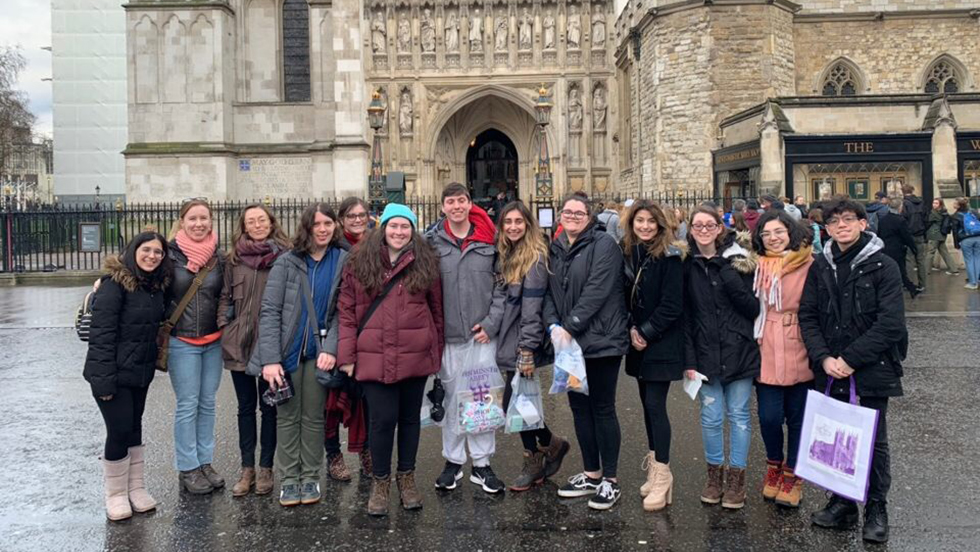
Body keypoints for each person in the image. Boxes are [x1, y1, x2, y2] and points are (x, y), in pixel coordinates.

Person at [799, 197, 907, 543]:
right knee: (835, 436)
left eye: (848, 219)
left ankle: (876, 508)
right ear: (826, 228)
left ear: (863, 223)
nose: (841, 226)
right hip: (830, 366)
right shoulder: (820, 266)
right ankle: (843, 503)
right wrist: (824, 358)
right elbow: (809, 316)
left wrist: (850, 359)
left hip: (871, 367)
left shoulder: (884, 265)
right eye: (833, 222)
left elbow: (890, 324)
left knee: (873, 440)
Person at [337, 203, 444, 516]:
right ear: (383, 228)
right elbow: (346, 310)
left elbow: (437, 310)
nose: (399, 232)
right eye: (394, 226)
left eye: (405, 226)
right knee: (381, 422)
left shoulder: (426, 260)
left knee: (410, 420)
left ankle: (406, 479)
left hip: (415, 354)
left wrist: (435, 354)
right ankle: (380, 482)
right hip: (374, 355)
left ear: (413, 230)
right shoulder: (359, 260)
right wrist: (347, 355)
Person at [254, 203, 348, 507]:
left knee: (313, 418)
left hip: (320, 353)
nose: (323, 229)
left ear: (335, 226)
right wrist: (270, 359)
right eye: (316, 224)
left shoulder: (343, 260)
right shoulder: (287, 262)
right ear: (306, 228)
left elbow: (343, 312)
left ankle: (310, 477)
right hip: (287, 351)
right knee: (287, 415)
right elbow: (270, 311)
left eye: (328, 223)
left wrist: (332, 347)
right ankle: (289, 479)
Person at [545, 193, 629, 510]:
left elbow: (598, 288)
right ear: (560, 215)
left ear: (589, 217)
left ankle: (610, 480)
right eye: (568, 211)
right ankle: (591, 473)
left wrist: (570, 325)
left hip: (601, 342)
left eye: (579, 213)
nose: (573, 217)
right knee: (580, 409)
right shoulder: (555, 248)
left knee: (602, 408)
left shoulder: (604, 245)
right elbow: (548, 291)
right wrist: (553, 324)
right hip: (569, 344)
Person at [84, 231, 174, 521]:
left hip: (140, 372)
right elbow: (101, 336)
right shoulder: (113, 286)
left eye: (158, 252)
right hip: (112, 374)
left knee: (134, 428)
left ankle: (135, 488)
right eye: (146, 250)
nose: (152, 256)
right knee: (119, 430)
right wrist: (103, 381)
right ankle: (115, 494)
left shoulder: (155, 286)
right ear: (133, 250)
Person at [427, 183, 506, 494]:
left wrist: (492, 323)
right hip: (448, 336)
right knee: (449, 400)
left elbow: (502, 285)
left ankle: (482, 464)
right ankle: (453, 462)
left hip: (481, 336)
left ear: (469, 204)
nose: (456, 206)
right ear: (443, 206)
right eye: (451, 201)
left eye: (461, 200)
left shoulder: (488, 239)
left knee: (480, 401)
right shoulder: (432, 243)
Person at [683, 206, 760, 510]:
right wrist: (688, 360)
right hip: (703, 353)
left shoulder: (739, 262)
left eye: (709, 224)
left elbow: (753, 309)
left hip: (738, 349)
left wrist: (727, 272)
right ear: (690, 229)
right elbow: (686, 317)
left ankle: (737, 480)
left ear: (719, 228)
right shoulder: (686, 264)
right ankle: (714, 478)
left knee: (739, 417)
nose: (703, 230)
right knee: (711, 417)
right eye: (697, 225)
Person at [492, 201, 571, 491]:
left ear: (528, 224)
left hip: (523, 340)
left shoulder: (535, 257)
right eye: (507, 222)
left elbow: (532, 307)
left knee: (515, 403)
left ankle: (539, 455)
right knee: (518, 403)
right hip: (508, 337)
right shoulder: (506, 253)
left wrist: (527, 348)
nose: (513, 227)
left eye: (518, 222)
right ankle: (549, 446)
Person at [219, 204, 290, 497]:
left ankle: (266, 468)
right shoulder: (233, 259)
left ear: (271, 223)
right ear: (244, 227)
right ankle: (246, 468)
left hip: (271, 344)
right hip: (240, 342)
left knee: (270, 407)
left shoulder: (285, 256)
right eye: (252, 221)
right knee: (245, 408)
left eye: (262, 219)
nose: (258, 224)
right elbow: (225, 296)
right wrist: (226, 326)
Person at [622, 200, 684, 512]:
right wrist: (633, 329)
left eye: (650, 222)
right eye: (639, 221)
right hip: (639, 342)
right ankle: (655, 466)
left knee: (655, 406)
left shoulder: (670, 256)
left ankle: (663, 474)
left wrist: (644, 332)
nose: (645, 226)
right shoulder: (632, 251)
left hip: (660, 342)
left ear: (661, 225)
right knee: (647, 407)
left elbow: (673, 305)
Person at [751, 210, 814, 508]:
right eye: (767, 234)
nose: (773, 238)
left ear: (790, 232)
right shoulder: (753, 265)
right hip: (765, 341)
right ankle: (773, 466)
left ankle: (793, 474)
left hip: (799, 339)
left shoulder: (809, 263)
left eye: (779, 232)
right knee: (769, 416)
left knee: (798, 417)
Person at [166, 199, 226, 494]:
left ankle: (204, 461)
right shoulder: (168, 255)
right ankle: (187, 466)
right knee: (187, 405)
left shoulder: (219, 256)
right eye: (193, 218)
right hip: (182, 341)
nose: (199, 223)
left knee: (207, 404)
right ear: (182, 222)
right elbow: (138, 274)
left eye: (204, 218)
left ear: (211, 222)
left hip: (212, 342)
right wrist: (104, 281)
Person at [325, 196, 373, 481]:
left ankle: (367, 452)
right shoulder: (332, 248)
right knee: (331, 399)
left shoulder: (378, 245)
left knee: (365, 400)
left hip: (366, 332)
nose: (357, 220)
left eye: (362, 215)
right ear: (341, 219)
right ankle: (333, 454)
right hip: (335, 329)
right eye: (351, 216)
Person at [876, 197, 919, 298]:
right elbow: (906, 236)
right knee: (901, 270)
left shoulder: (883, 220)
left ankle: (910, 288)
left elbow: (879, 234)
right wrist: (913, 247)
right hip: (897, 249)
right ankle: (911, 288)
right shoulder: (900, 220)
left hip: (885, 248)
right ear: (900, 207)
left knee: (886, 270)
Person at [901, 184, 928, 292]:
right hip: (920, 234)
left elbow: (903, 220)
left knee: (909, 260)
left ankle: (910, 283)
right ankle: (923, 284)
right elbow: (926, 218)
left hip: (909, 235)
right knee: (920, 260)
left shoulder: (904, 203)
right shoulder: (921, 203)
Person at [951, 197, 980, 290]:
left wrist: (956, 244)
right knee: (977, 259)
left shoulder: (955, 215)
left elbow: (955, 231)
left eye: (954, 203)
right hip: (978, 236)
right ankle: (978, 280)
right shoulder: (974, 211)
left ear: (958, 205)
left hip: (966, 239)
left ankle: (972, 283)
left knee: (969, 260)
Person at [926, 198, 957, 275]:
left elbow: (928, 222)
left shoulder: (934, 213)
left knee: (930, 252)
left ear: (940, 204)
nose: (934, 205)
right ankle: (953, 269)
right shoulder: (945, 212)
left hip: (934, 234)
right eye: (933, 203)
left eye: (936, 203)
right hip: (942, 234)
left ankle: (926, 270)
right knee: (944, 252)